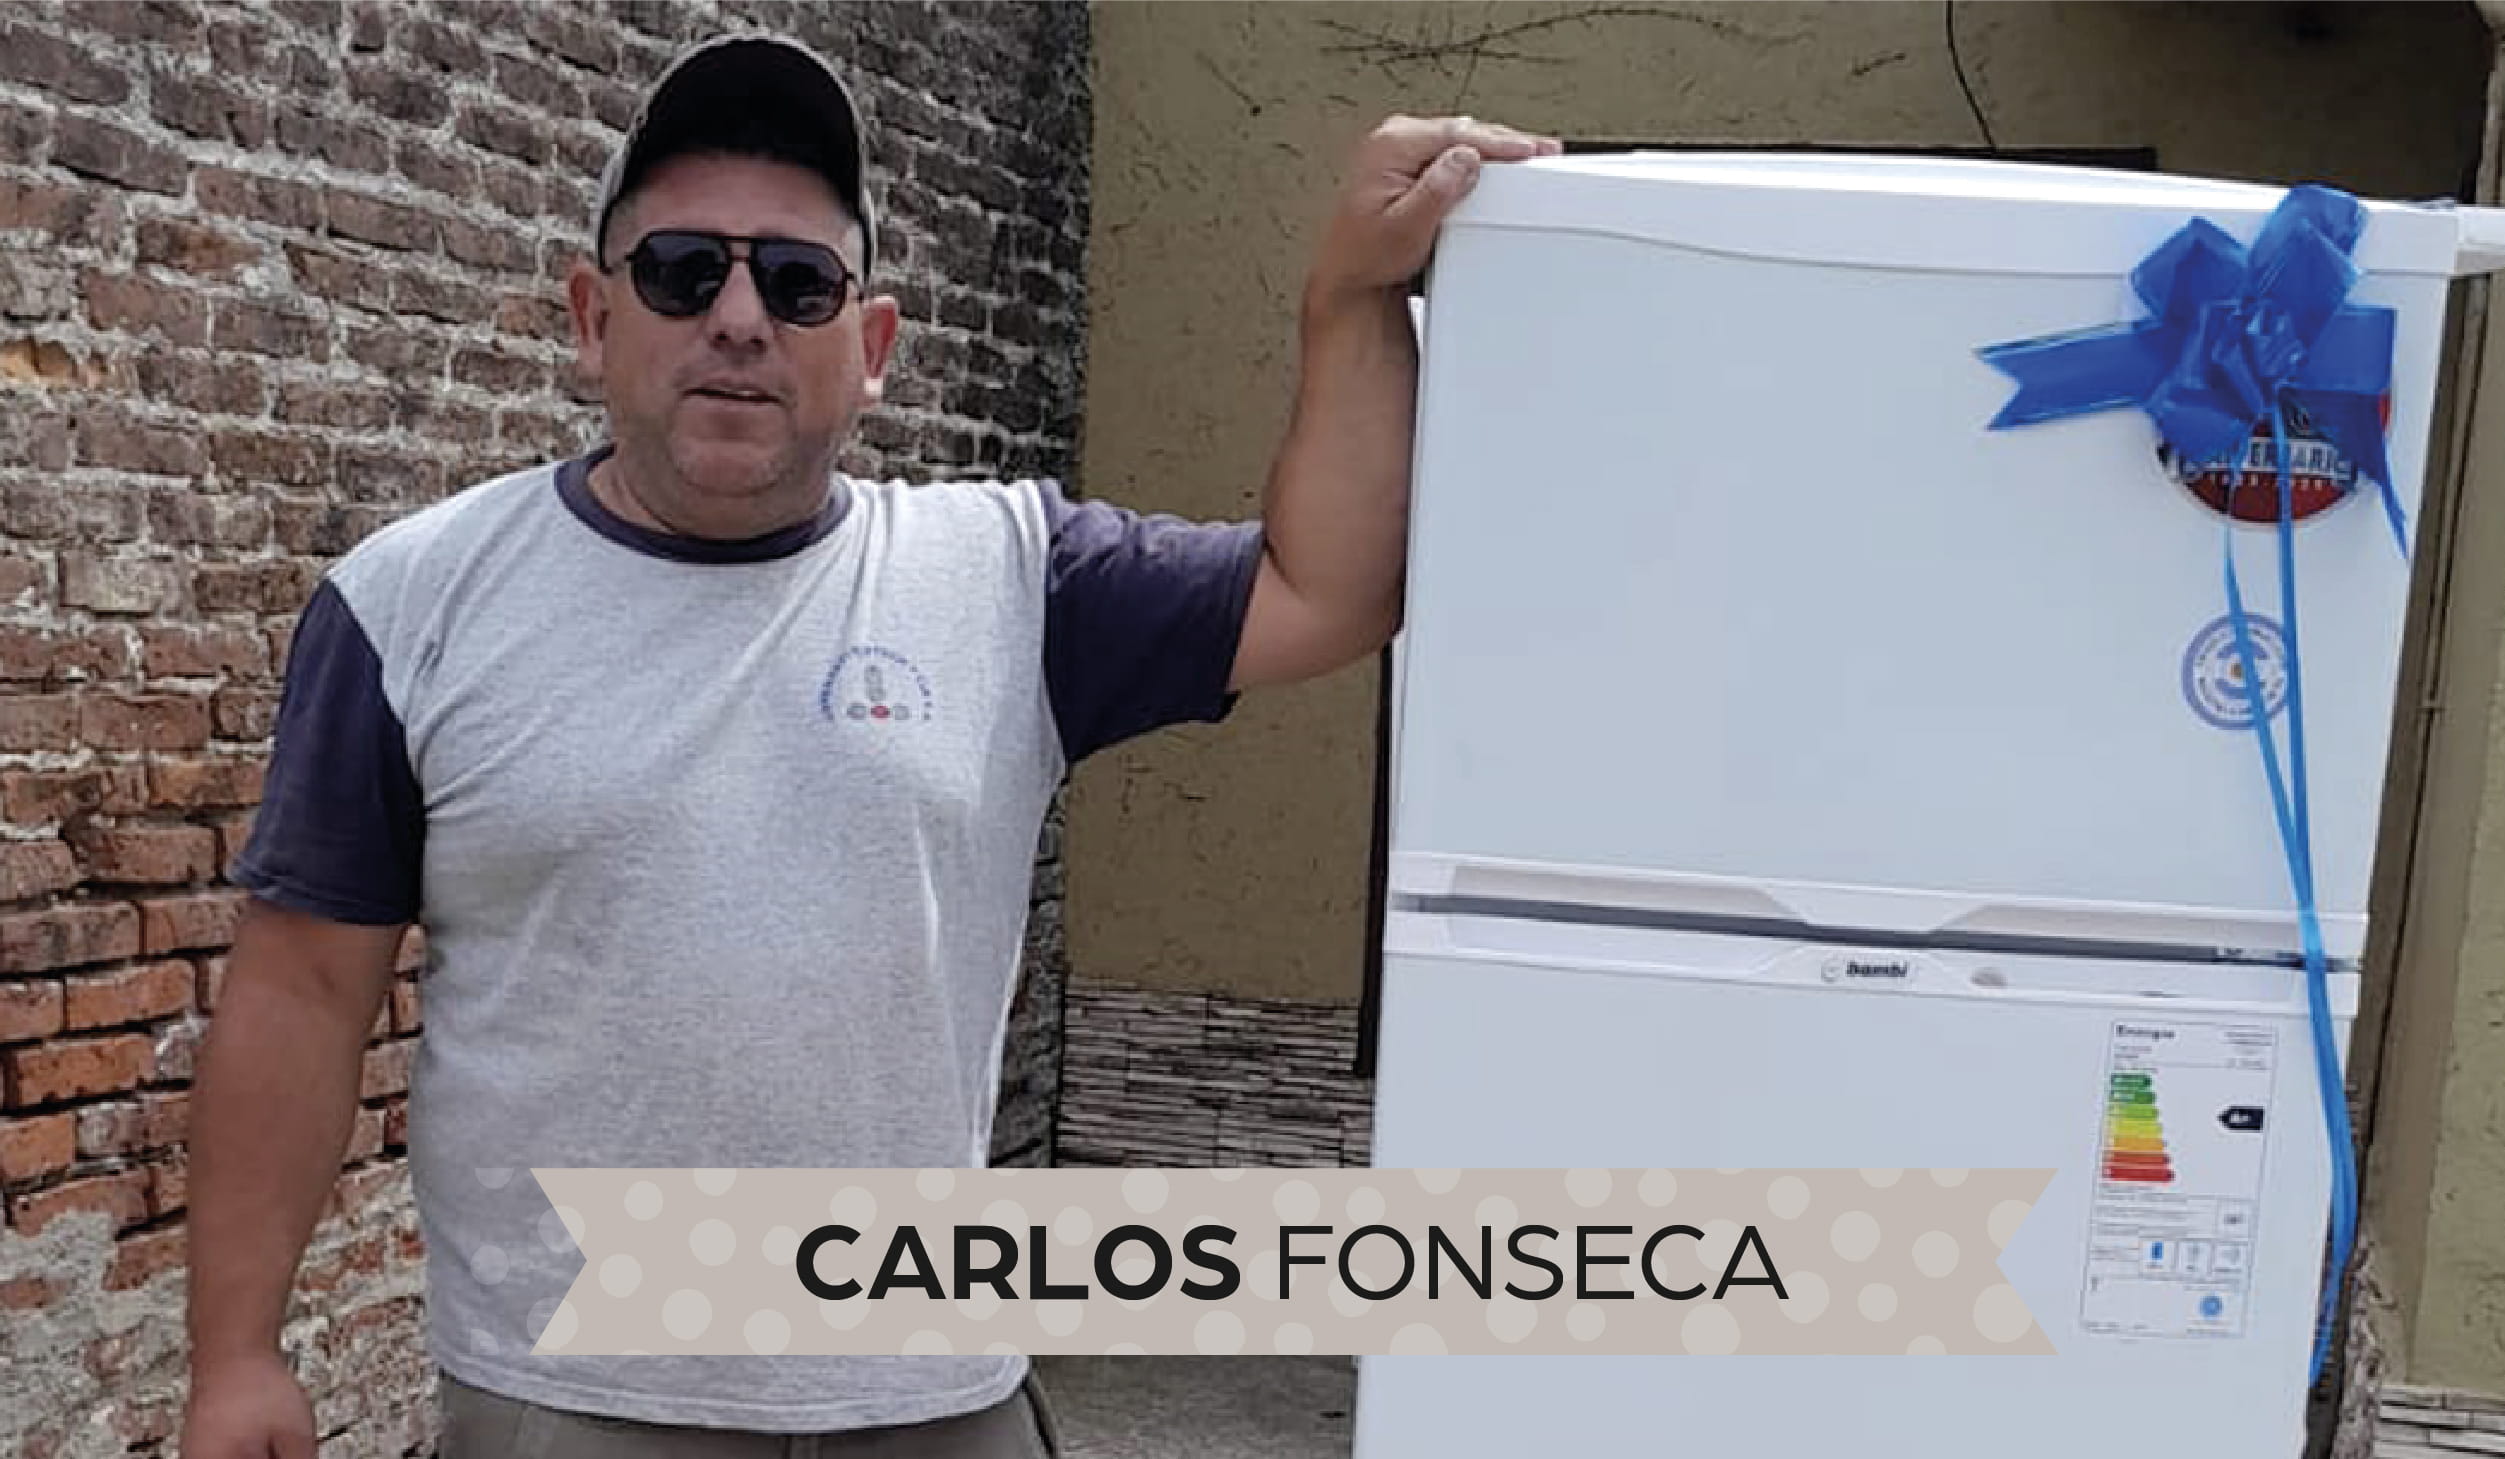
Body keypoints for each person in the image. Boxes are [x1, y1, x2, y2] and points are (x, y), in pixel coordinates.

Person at [176, 30, 1555, 1459]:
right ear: (592, 317)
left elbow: (1328, 591)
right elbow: (300, 993)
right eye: (681, 270)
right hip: (574, 1396)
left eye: (796, 283)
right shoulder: (414, 604)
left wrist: (1353, 298)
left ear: (872, 348)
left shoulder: (1011, 580)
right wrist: (235, 1356)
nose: (737, 318)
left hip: (929, 1396)